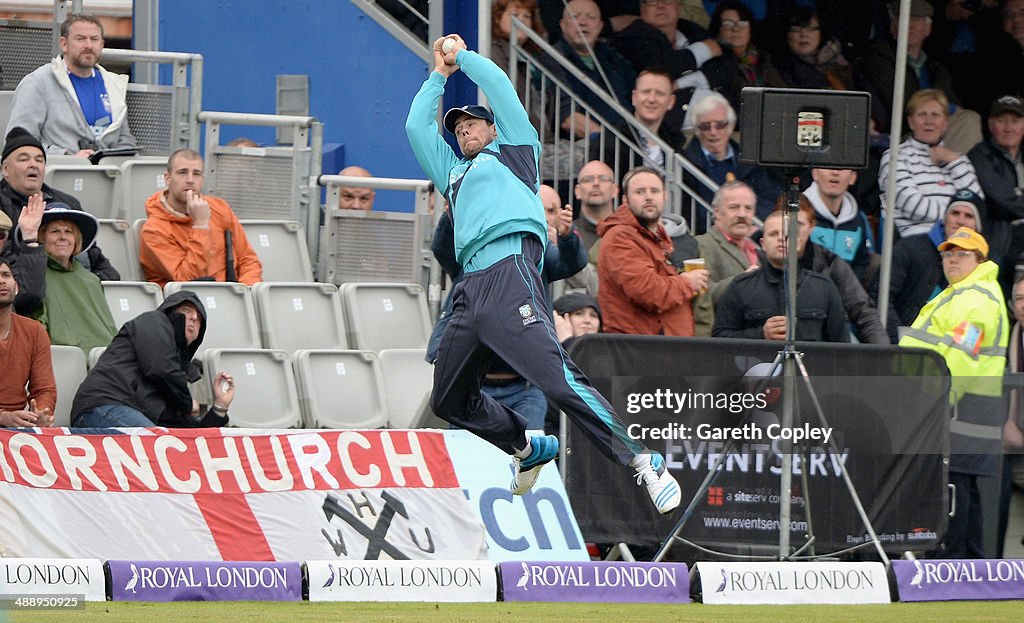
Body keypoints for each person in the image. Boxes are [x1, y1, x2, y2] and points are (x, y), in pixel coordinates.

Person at [405, 34, 681, 513]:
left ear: (494, 129)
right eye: (459, 127)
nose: (466, 130)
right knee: (449, 400)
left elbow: (497, 83)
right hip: (470, 286)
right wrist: (436, 77)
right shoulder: (453, 172)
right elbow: (415, 126)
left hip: (512, 269)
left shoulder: (517, 150)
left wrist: (461, 59)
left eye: (474, 123)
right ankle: (527, 447)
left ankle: (643, 460)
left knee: (556, 380)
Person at [899, 227, 1008, 559]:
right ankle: (967, 567)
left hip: (955, 413)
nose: (953, 260)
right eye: (948, 254)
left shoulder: (975, 298)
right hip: (959, 412)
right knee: (963, 493)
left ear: (980, 260)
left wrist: (935, 404)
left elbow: (961, 358)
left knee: (955, 494)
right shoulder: (962, 293)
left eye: (962, 254)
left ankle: (953, 566)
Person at [71, 290, 235, 428]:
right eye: (186, 310)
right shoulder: (154, 321)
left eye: (199, 319)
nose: (193, 317)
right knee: (160, 447)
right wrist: (187, 403)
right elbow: (161, 369)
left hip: (126, 413)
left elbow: (193, 440)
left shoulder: (175, 376)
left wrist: (220, 407)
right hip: (103, 405)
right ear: (170, 312)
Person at [0, 127, 119, 309]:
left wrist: (88, 284)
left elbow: (93, 256)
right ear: (5, 169)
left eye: (39, 160)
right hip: (27, 297)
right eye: (24, 159)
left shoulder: (67, 202)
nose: (33, 164)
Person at [854, 0, 982, 153]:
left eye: (917, 20)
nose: (910, 25)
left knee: (969, 120)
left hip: (935, 134)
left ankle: (948, 171)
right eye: (904, 19)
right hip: (900, 135)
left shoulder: (935, 68)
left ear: (928, 29)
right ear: (893, 27)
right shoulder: (878, 58)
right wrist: (947, 108)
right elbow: (907, 105)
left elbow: (955, 105)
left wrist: (951, 108)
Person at [597, 166, 707, 336]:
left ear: (665, 196)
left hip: (666, 349)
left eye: (654, 191)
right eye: (640, 192)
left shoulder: (655, 236)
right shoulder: (620, 237)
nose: (648, 197)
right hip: (639, 350)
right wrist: (686, 282)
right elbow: (648, 292)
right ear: (625, 200)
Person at [5, 14, 136, 157]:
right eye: (80, 39)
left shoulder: (114, 84)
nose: (88, 45)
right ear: (64, 44)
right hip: (59, 175)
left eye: (94, 39)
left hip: (108, 175)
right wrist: (67, 157)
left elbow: (125, 140)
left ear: (102, 44)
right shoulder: (37, 83)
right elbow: (18, 142)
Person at [713, 209, 849, 342]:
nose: (781, 239)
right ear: (763, 244)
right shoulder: (741, 287)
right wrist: (761, 334)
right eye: (773, 234)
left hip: (809, 364)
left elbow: (841, 346)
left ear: (799, 243)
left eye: (788, 234)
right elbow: (720, 338)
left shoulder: (824, 287)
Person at [139, 148, 263, 288]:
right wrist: (200, 225)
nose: (190, 180)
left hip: (230, 297)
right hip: (186, 304)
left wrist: (245, 293)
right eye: (182, 172)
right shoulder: (153, 230)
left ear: (202, 180)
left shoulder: (220, 207)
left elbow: (247, 259)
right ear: (168, 178)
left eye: (196, 174)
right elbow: (188, 281)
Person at [783, 194, 890, 345]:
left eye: (799, 224)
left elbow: (862, 310)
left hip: (824, 346)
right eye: (787, 225)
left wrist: (882, 353)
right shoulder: (760, 263)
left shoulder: (830, 261)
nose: (793, 232)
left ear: (812, 226)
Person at [878, 88, 983, 238]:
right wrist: (957, 217)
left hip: (960, 242)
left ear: (945, 122)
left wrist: (954, 162)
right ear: (910, 122)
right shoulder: (894, 156)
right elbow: (911, 204)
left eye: (935, 115)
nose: (929, 121)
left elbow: (977, 205)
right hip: (916, 240)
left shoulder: (958, 160)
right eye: (922, 115)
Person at [609, 0, 727, 131]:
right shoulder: (629, 38)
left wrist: (679, 83)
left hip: (718, 121)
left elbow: (725, 66)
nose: (660, 5)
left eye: (667, 0)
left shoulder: (692, 31)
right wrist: (700, 52)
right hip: (669, 130)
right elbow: (659, 67)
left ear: (679, 6)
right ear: (642, 8)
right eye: (653, 1)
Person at [18, 204, 116, 356]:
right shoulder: (33, 276)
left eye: (69, 231)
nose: (63, 236)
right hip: (59, 360)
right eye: (55, 231)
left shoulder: (91, 280)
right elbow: (29, 298)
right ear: (41, 237)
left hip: (105, 361)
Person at [886, 189, 983, 330]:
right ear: (945, 218)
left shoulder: (985, 265)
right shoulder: (910, 247)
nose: (960, 221)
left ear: (978, 226)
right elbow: (881, 297)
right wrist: (899, 340)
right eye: (955, 213)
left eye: (969, 215)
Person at [539, 0, 636, 138]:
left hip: (626, 143)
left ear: (600, 26)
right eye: (575, 16)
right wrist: (609, 142)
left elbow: (637, 96)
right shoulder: (552, 59)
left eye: (591, 17)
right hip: (584, 146)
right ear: (562, 25)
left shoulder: (613, 58)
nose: (583, 22)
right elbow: (567, 117)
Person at [681, 92, 782, 222]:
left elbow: (768, 198)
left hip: (750, 233)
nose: (713, 132)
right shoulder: (686, 164)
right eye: (705, 126)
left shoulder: (750, 161)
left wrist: (750, 227)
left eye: (720, 125)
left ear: (731, 126)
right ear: (697, 130)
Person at [968, 94, 1024, 292]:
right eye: (1002, 121)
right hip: (1000, 243)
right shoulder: (979, 155)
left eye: (1015, 121)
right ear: (991, 124)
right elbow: (1000, 199)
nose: (1009, 128)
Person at [589, 68, 686, 180]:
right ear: (634, 97)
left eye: (660, 93)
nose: (652, 99)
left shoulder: (675, 143)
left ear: (670, 102)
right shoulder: (611, 140)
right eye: (646, 92)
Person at [694, 180, 760, 336]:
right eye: (734, 207)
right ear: (716, 212)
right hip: (719, 341)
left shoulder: (758, 250)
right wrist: (744, 279)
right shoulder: (701, 244)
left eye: (748, 208)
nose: (742, 214)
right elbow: (703, 297)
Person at [0, 257, 55, 427]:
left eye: (6, 275)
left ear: (16, 287)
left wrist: (40, 413)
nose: (1, 281)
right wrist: (2, 417)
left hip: (18, 428)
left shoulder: (34, 330)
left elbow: (44, 389)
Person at [708, 1, 786, 115]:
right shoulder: (713, 62)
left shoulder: (763, 59)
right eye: (728, 24)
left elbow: (783, 94)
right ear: (718, 29)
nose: (735, 29)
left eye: (742, 24)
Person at [803, 167, 876, 285]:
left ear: (852, 178)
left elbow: (860, 262)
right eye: (828, 167)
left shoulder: (857, 219)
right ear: (815, 173)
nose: (835, 173)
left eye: (842, 168)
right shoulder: (799, 212)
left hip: (845, 295)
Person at [773, 6, 856, 91]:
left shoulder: (841, 65)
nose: (803, 34)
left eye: (811, 29)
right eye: (796, 29)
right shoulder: (776, 68)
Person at [1000, 276, 1024, 558]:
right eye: (1019, 298)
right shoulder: (1006, 335)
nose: (1023, 305)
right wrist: (1006, 423)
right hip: (1010, 440)